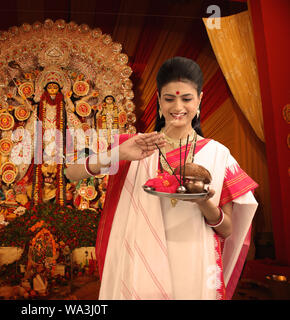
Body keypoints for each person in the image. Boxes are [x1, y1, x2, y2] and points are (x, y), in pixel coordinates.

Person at [65, 56, 258, 300]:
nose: (178, 107)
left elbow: (228, 229)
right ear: (158, 100)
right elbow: (70, 173)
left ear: (200, 99)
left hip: (192, 268)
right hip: (137, 265)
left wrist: (203, 201)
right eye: (169, 98)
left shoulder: (218, 155)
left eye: (187, 98)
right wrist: (118, 154)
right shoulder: (134, 145)